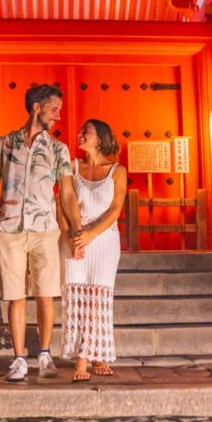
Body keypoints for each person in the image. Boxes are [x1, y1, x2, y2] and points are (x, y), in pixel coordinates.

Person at [0, 84, 82, 383]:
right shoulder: (3, 144)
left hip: (44, 230)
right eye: (55, 109)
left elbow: (66, 193)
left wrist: (76, 232)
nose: (58, 116)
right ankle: (18, 359)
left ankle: (44, 354)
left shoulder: (57, 149)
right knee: (15, 296)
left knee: (45, 295)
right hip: (10, 230)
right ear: (36, 107)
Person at [60, 119, 127, 381]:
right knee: (77, 296)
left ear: (99, 138)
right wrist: (71, 236)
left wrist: (91, 235)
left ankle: (85, 358)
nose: (79, 134)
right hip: (75, 238)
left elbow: (115, 210)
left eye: (85, 132)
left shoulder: (117, 171)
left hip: (103, 239)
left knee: (97, 297)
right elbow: (63, 204)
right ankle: (89, 353)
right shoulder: (72, 167)